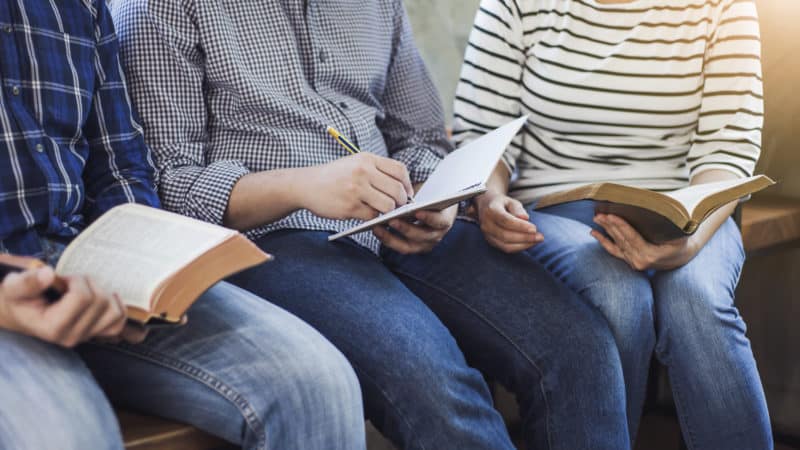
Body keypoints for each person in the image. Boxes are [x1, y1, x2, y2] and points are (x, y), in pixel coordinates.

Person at [114, 0, 636, 449]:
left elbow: (423, 138)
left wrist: (443, 201)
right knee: (433, 380)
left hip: (400, 223)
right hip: (274, 240)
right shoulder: (161, 8)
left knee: (579, 346)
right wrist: (305, 187)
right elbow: (168, 186)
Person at [0, 1, 365, 449]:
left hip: (79, 268)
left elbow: (119, 164)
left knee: (318, 384)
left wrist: (136, 268)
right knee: (69, 438)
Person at [453, 0, 772, 448]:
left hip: (692, 210)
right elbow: (483, 137)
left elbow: (727, 153)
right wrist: (489, 200)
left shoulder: (724, 7)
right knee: (616, 292)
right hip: (554, 210)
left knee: (695, 299)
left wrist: (689, 241)